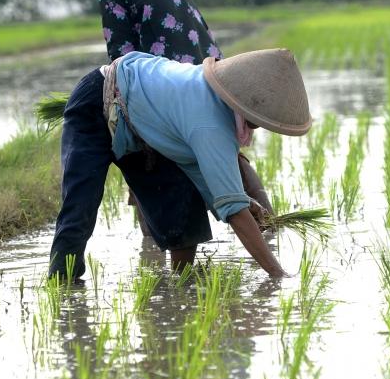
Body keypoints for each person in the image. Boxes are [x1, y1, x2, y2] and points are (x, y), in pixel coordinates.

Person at [68, 0, 274, 232]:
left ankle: (156, 250)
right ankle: (271, 224)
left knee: (146, 159)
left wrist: (127, 113)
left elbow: (121, 64)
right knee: (225, 153)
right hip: (209, 75)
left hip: (167, 84)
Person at [47, 48, 312, 280]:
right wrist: (277, 274)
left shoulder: (216, 107)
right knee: (80, 208)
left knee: (183, 220)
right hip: (98, 102)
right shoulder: (210, 124)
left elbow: (205, 178)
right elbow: (234, 212)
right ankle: (62, 288)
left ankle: (181, 289)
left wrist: (242, 200)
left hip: (143, 131)